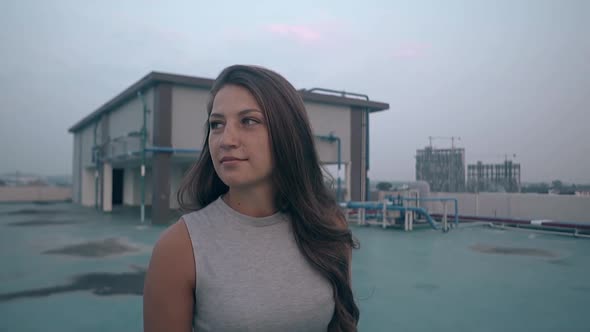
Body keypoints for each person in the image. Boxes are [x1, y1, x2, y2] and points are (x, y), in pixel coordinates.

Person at [143, 65, 359, 332]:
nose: (226, 139)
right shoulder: (179, 248)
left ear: (288, 133)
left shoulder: (328, 226)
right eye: (216, 124)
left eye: (248, 121)